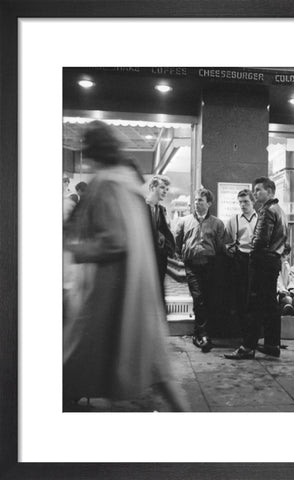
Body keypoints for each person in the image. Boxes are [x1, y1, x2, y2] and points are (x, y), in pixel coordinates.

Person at [63, 120, 187, 412]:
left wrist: (75, 249)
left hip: (111, 291)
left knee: (87, 355)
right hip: (136, 289)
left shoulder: (106, 184)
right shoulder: (127, 183)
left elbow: (115, 240)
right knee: (157, 366)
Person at [225, 176, 288, 360]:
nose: (255, 192)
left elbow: (260, 239)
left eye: (259, 189)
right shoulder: (280, 210)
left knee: (253, 305)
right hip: (273, 262)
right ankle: (272, 344)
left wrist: (252, 252)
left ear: (270, 191)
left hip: (262, 263)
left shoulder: (267, 210)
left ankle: (247, 347)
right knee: (270, 305)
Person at [174, 188, 226, 353]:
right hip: (192, 265)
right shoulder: (184, 221)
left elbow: (220, 246)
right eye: (196, 200)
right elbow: (178, 241)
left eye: (201, 200)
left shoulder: (217, 224)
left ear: (209, 203)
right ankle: (202, 334)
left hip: (210, 265)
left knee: (208, 298)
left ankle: (201, 332)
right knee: (198, 298)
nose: (197, 203)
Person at [225, 189, 258, 338]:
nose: (243, 205)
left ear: (253, 202)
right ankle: (241, 332)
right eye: (240, 202)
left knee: (254, 297)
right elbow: (227, 241)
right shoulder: (234, 220)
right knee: (239, 296)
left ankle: (253, 333)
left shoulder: (260, 218)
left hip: (256, 260)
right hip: (239, 260)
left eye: (246, 202)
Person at [145, 175, 175, 293]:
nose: (165, 192)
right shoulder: (141, 207)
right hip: (145, 259)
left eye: (167, 189)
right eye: (162, 188)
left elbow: (165, 231)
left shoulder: (161, 210)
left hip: (159, 259)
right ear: (152, 187)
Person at [277, 243, 294, 316]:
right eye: (282, 255)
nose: (285, 257)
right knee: (288, 300)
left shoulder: (286, 265)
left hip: (285, 292)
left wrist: (291, 289)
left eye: (286, 255)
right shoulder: (272, 264)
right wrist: (280, 290)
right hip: (276, 293)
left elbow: (290, 280)